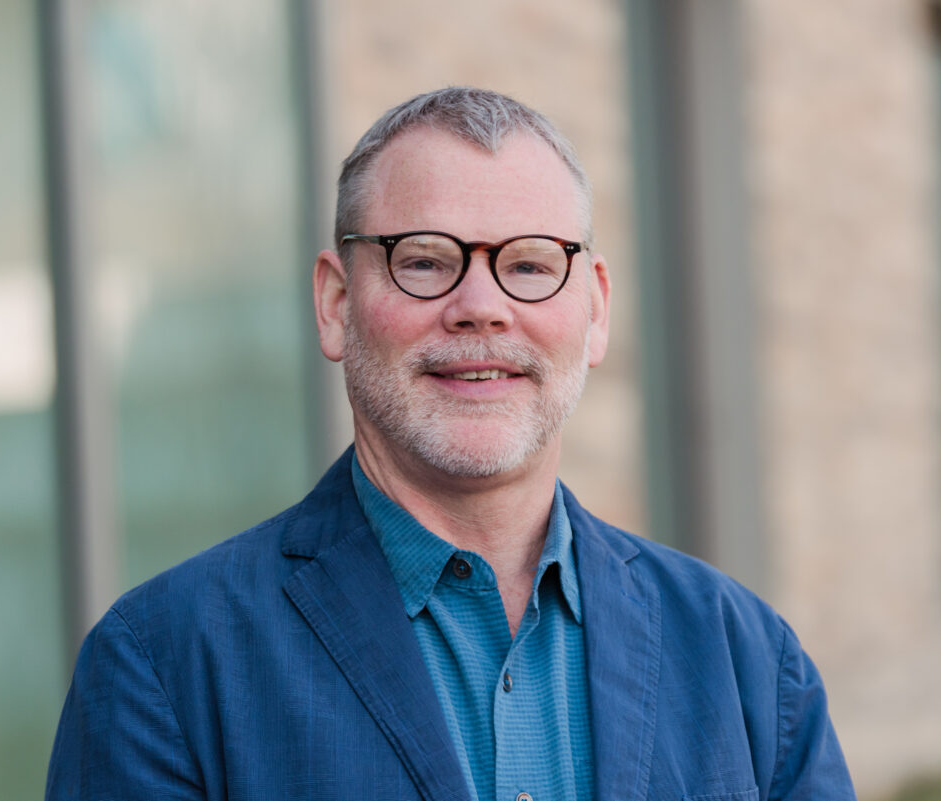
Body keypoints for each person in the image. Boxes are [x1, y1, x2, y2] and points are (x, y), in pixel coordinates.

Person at [47, 87, 856, 801]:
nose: (482, 307)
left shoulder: (748, 658)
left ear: (596, 309)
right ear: (335, 303)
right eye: (425, 261)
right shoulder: (165, 665)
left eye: (531, 265)